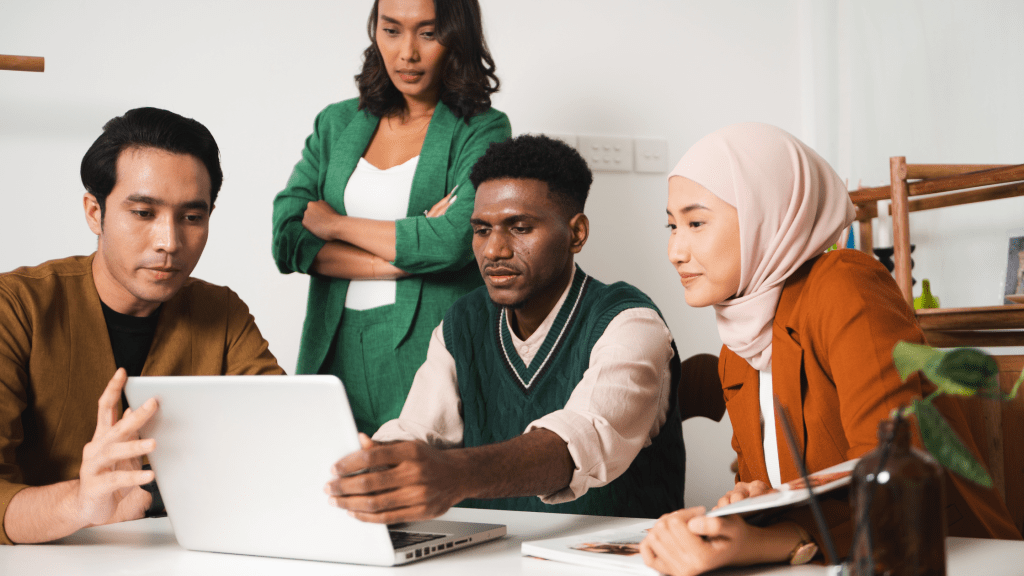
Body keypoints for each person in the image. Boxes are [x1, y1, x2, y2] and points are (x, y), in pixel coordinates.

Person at [640, 123, 1021, 575]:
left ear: (769, 214)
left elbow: (893, 473)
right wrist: (744, 511)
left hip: (949, 556)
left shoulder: (844, 284)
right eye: (672, 225)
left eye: (696, 222)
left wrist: (775, 539)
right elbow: (782, 488)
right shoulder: (739, 343)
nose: (675, 250)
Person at [323, 134, 686, 521]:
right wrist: (376, 466)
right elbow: (416, 430)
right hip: (490, 559)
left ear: (576, 233)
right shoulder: (462, 322)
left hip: (612, 560)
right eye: (482, 230)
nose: (494, 250)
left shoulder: (630, 322)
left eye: (520, 228)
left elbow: (580, 440)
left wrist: (453, 473)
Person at [0, 107, 284, 545]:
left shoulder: (221, 312)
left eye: (192, 217)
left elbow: (283, 438)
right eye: (143, 213)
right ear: (95, 212)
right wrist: (79, 502)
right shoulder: (16, 307)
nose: (169, 242)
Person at [271, 0, 511, 436]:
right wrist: (399, 261)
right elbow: (287, 237)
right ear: (375, 31)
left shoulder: (482, 129)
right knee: (327, 485)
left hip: (430, 349)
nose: (407, 53)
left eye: (428, 32)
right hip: (333, 344)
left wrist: (336, 226)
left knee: (424, 488)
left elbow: (455, 240)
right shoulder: (336, 122)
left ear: (457, 34)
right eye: (392, 30)